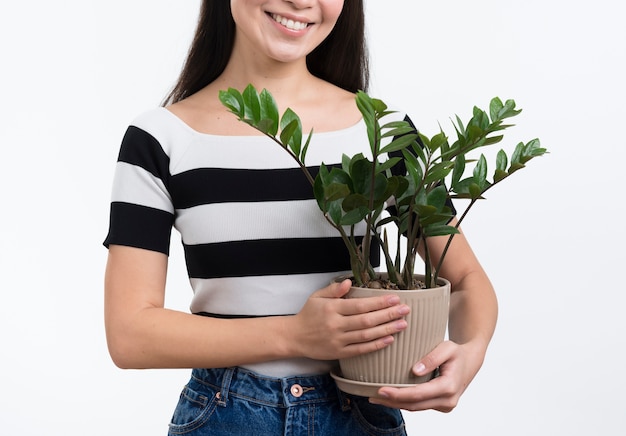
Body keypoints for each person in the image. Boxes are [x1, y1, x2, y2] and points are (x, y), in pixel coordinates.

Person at [103, 1, 498, 434]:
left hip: (361, 414)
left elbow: (465, 280)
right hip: (227, 416)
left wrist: (470, 351)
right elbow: (130, 334)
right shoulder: (160, 139)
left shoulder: (383, 131)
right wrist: (294, 335)